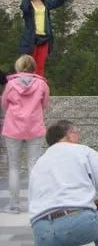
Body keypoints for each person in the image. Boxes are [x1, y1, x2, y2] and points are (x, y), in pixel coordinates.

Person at [28, 120, 98, 246]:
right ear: (70, 134)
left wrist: (87, 203)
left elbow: (39, 198)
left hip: (40, 228)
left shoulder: (39, 163)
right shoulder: (83, 151)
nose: (79, 137)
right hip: (73, 222)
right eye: (77, 133)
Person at [1, 54, 49, 214]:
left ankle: (14, 204)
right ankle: (35, 203)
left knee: (13, 166)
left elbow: (4, 104)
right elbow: (45, 104)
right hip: (35, 128)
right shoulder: (42, 84)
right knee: (33, 166)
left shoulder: (10, 84)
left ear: (18, 66)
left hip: (13, 128)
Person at [19, 0, 74, 77]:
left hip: (44, 37)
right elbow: (24, 9)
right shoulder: (28, 4)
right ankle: (28, 85)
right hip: (32, 38)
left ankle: (39, 84)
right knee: (29, 64)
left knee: (40, 65)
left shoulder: (45, 3)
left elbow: (57, 2)